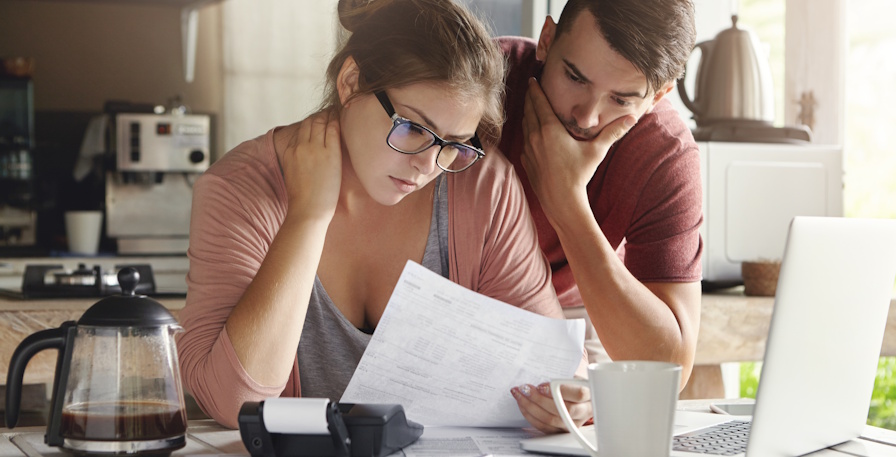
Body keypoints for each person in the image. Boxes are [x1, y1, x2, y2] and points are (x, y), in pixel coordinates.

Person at [176, 0, 587, 431]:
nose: (429, 166)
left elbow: (552, 369)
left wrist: (570, 400)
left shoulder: (482, 186)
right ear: (351, 82)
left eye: (454, 144)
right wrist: (308, 216)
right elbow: (232, 403)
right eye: (413, 128)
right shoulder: (239, 189)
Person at [499, 0, 704, 432]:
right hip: (450, 291)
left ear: (659, 95)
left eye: (621, 99)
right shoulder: (482, 80)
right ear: (547, 40)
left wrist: (566, 202)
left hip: (577, 310)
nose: (586, 117)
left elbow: (668, 369)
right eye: (574, 77)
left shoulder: (665, 154)